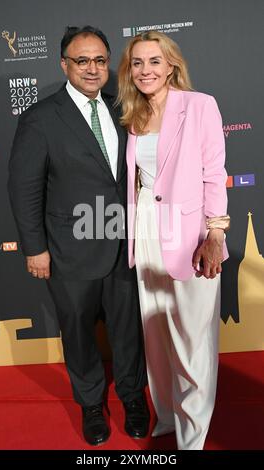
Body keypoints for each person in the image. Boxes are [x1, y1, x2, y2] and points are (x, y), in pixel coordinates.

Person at [8, 25, 149, 447]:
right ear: (64, 64)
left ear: (109, 64)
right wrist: (36, 249)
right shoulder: (40, 118)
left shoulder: (121, 107)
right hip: (69, 252)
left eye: (100, 60)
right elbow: (24, 188)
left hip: (123, 244)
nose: (92, 68)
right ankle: (91, 403)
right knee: (78, 333)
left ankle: (132, 397)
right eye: (82, 60)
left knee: (128, 329)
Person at [117, 31, 230, 450]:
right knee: (158, 333)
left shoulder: (199, 105)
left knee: (192, 338)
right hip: (146, 227)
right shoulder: (133, 114)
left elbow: (213, 173)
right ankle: (167, 415)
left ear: (172, 66)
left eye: (154, 61)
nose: (145, 70)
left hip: (189, 235)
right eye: (137, 63)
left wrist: (214, 233)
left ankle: (193, 435)